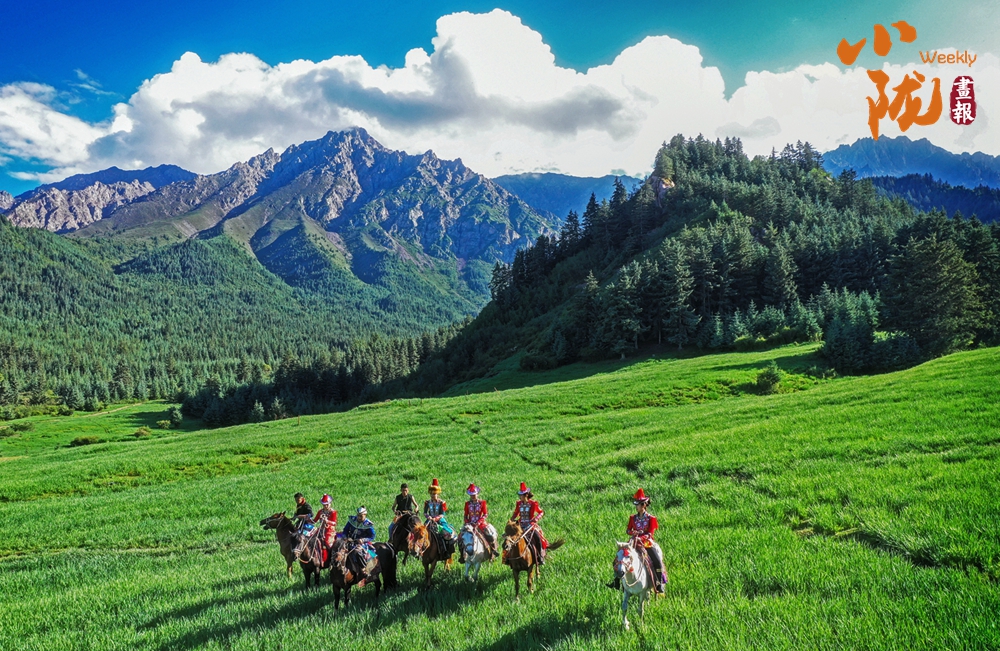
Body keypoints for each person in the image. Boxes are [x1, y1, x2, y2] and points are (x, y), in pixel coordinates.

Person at [626, 488, 666, 594]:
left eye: (638, 505)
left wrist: (641, 537)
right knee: (622, 558)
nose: (636, 507)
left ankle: (659, 583)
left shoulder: (651, 518)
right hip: (634, 542)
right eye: (636, 505)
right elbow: (628, 530)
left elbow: (650, 533)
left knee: (657, 561)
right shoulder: (632, 518)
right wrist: (633, 533)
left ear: (643, 505)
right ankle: (621, 583)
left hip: (647, 543)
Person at [511, 482, 548, 564]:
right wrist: (512, 519)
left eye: (521, 495)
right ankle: (507, 558)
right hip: (520, 525)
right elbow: (516, 513)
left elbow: (541, 512)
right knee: (509, 538)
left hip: (530, 525)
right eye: (519, 495)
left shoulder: (533, 503)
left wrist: (536, 519)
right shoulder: (518, 503)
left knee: (537, 538)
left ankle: (540, 557)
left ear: (526, 495)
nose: (520, 497)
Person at [462, 483, 499, 562]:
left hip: (481, 524)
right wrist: (468, 523)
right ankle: (462, 555)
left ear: (477, 494)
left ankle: (493, 550)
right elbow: (465, 515)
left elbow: (485, 514)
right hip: (470, 524)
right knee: (461, 536)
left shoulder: (482, 503)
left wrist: (478, 522)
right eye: (471, 495)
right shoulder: (467, 504)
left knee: (489, 534)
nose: (473, 496)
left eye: (474, 494)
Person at [423, 478, 455, 554]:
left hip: (439, 520)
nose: (432, 495)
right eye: (431, 493)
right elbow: (425, 513)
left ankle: (447, 549)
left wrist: (436, 518)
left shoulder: (442, 502)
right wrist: (428, 517)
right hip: (430, 520)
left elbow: (442, 514)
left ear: (438, 494)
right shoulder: (427, 502)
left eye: (434, 494)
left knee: (446, 532)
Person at [315, 494, 338, 565]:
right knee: (312, 539)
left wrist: (327, 521)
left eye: (327, 504)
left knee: (328, 544)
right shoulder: (320, 512)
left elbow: (334, 523)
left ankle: (331, 559)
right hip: (321, 529)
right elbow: (315, 520)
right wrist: (307, 519)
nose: (326, 506)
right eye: (324, 505)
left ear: (330, 504)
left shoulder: (333, 512)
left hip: (329, 531)